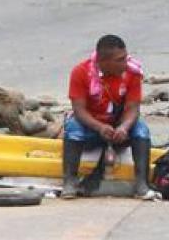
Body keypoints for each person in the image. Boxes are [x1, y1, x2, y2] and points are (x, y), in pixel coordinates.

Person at [62, 34, 152, 199]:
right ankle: (70, 180)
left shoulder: (132, 73)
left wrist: (124, 127)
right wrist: (100, 127)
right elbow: (79, 110)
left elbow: (133, 108)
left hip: (118, 126)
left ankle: (141, 183)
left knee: (142, 130)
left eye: (125, 58)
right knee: (73, 129)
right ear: (103, 61)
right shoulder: (81, 72)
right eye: (120, 60)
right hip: (91, 127)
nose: (125, 63)